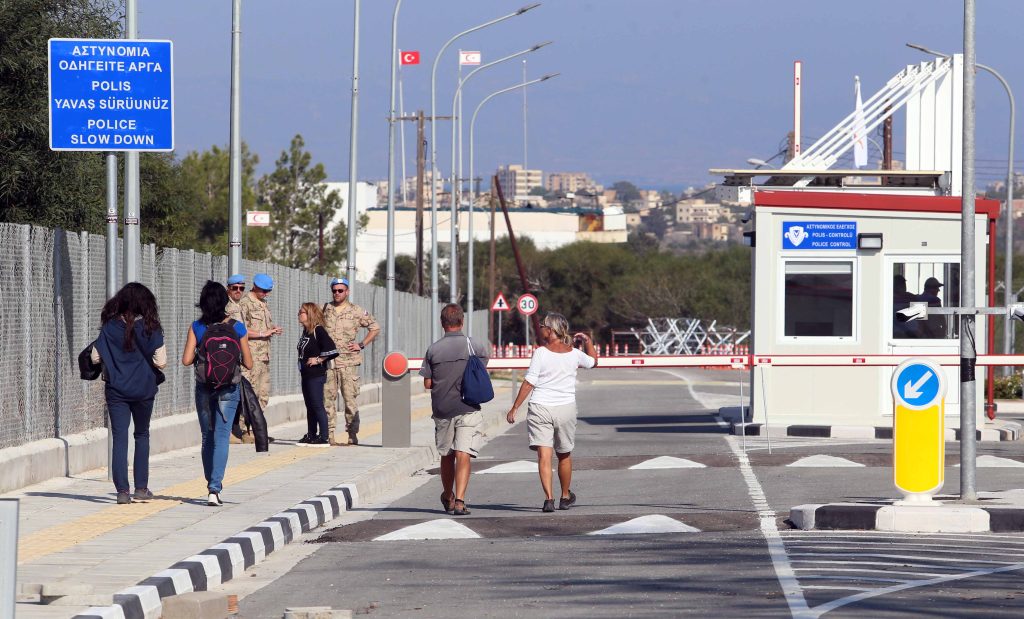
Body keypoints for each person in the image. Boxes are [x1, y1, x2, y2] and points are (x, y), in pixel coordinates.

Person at [506, 312, 597, 513]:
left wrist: (515, 407)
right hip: (565, 408)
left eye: (544, 326)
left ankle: (549, 499)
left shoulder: (541, 353)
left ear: (551, 330)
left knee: (544, 456)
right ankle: (565, 496)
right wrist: (588, 341)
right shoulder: (574, 354)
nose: (542, 329)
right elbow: (593, 361)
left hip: (540, 408)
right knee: (564, 454)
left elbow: (530, 382)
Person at [92, 283, 167, 505]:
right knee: (142, 434)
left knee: (120, 436)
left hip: (116, 390)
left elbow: (95, 358)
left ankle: (122, 491)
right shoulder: (151, 327)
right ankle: (141, 488)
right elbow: (161, 362)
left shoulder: (109, 327)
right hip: (144, 389)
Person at [182, 281, 253, 506]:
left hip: (204, 387)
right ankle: (215, 488)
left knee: (207, 437)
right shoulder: (237, 327)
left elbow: (186, 361)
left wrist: (201, 353)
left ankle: (209, 481)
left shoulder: (197, 327)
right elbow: (249, 364)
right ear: (225, 301)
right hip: (229, 389)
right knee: (222, 437)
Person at [419, 304, 489, 516]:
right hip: (468, 406)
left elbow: (428, 384)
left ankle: (448, 495)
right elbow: (483, 368)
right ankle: (460, 501)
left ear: (442, 324)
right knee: (464, 453)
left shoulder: (433, 349)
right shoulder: (474, 345)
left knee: (447, 455)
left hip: (442, 409)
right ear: (462, 322)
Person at [323, 277, 380, 446]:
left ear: (347, 292)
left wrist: (361, 344)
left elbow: (374, 327)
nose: (337, 293)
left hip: (349, 362)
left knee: (350, 399)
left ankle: (352, 433)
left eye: (341, 290)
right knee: (327, 399)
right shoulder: (326, 309)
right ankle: (329, 433)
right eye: (334, 290)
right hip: (329, 363)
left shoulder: (356, 311)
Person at [239, 273, 282, 417]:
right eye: (263, 291)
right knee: (250, 393)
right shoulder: (245, 303)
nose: (266, 294)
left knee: (263, 395)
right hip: (251, 357)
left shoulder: (263, 303)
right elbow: (241, 330)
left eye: (268, 291)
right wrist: (263, 333)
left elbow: (262, 326)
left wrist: (272, 329)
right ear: (255, 287)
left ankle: (257, 427)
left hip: (264, 356)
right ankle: (244, 429)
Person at [296, 303, 340, 445]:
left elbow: (332, 349)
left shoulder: (318, 330)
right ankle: (311, 434)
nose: (299, 314)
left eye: (301, 312)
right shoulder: (306, 331)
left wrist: (319, 359)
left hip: (316, 375)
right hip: (306, 375)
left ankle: (324, 437)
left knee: (317, 405)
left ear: (309, 314)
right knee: (309, 405)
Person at [226, 273, 249, 443]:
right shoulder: (229, 307)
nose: (238, 291)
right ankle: (230, 431)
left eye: (241, 288)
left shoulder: (239, 305)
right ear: (229, 289)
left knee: (238, 394)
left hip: (237, 355)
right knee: (231, 394)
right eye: (235, 288)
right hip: (230, 355)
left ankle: (235, 430)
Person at [892, 274, 921, 339]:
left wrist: (920, 331)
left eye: (904, 283)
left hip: (914, 334)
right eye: (900, 283)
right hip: (897, 334)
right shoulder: (889, 299)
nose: (903, 286)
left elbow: (921, 318)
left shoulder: (911, 297)